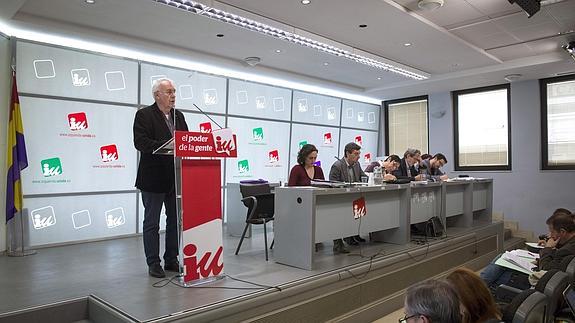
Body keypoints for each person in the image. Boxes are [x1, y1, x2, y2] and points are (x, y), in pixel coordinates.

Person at [133, 78, 189, 278]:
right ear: (157, 95)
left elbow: (187, 141)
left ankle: (171, 259)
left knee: (175, 221)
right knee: (152, 223)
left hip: (175, 178)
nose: (173, 95)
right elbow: (140, 142)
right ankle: (153, 263)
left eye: (174, 91)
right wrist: (167, 145)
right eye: (169, 92)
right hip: (153, 178)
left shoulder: (179, 116)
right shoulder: (144, 115)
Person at [481, 211, 575, 291]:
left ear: (562, 232)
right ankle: (478, 286)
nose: (550, 235)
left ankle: (477, 287)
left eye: (552, 231)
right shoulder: (570, 244)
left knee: (498, 272)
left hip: (541, 283)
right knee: (503, 259)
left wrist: (548, 249)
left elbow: (546, 269)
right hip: (547, 280)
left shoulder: (567, 250)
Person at [329, 142, 367, 253]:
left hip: (354, 197)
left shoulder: (357, 164)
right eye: (356, 153)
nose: (359, 156)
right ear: (347, 153)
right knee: (340, 215)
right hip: (340, 199)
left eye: (359, 153)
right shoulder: (337, 166)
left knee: (361, 207)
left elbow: (363, 177)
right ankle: (338, 242)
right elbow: (333, 184)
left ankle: (352, 235)